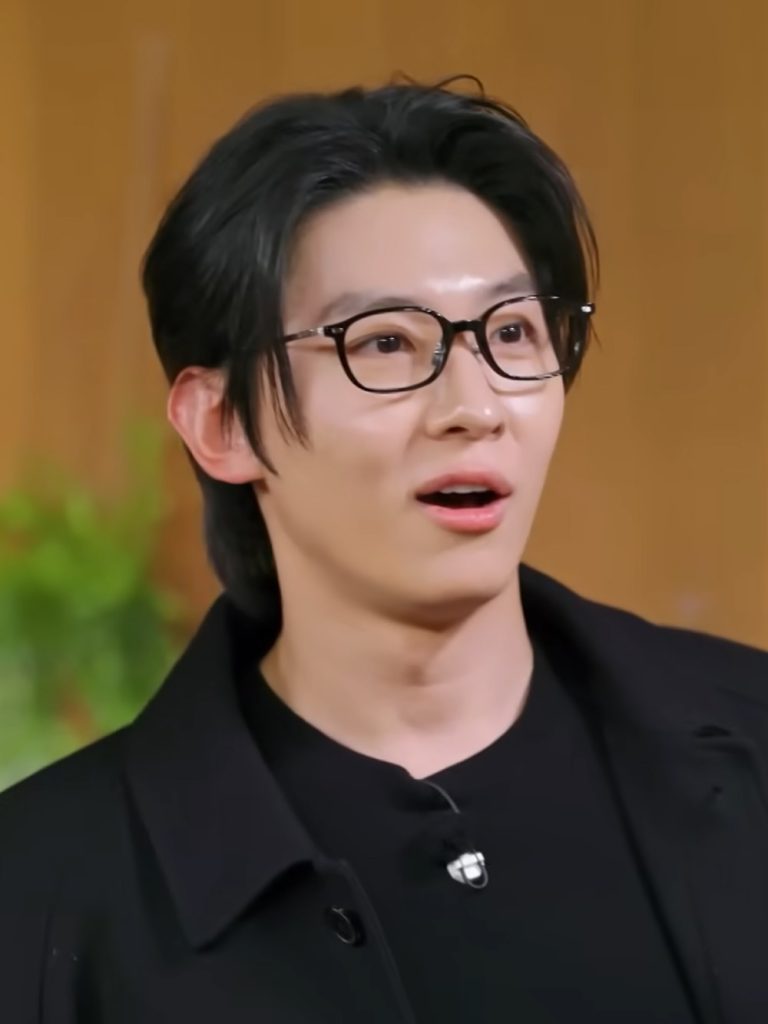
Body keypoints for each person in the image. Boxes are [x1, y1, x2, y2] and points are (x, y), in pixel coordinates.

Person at [1, 78, 767, 1024]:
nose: (474, 406)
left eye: (512, 332)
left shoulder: (749, 740)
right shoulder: (39, 892)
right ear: (222, 424)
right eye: (386, 344)